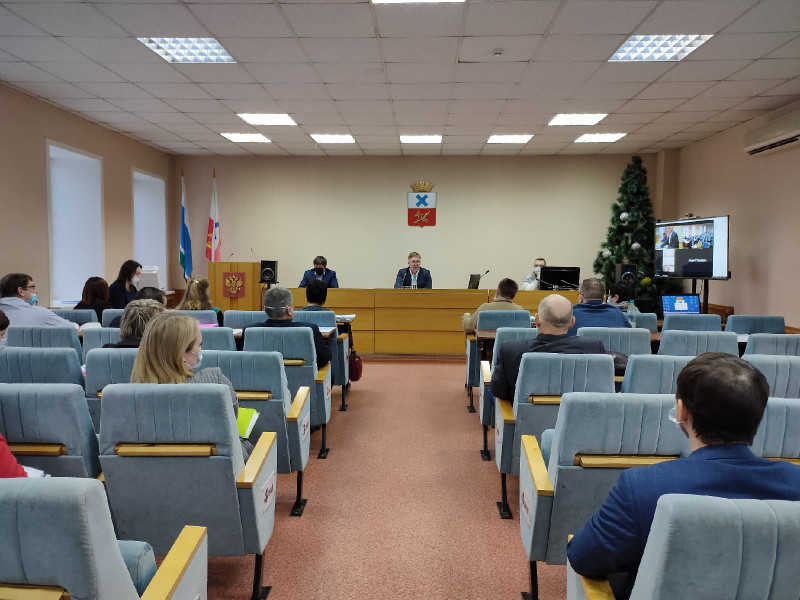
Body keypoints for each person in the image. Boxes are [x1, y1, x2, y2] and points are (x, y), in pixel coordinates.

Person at [567, 353, 800, 599]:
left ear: (681, 411)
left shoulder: (643, 487)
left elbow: (584, 558)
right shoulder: (794, 482)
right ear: (758, 415)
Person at [130, 311, 251, 459]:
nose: (200, 350)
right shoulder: (215, 381)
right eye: (199, 345)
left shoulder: (128, 397)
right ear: (181, 353)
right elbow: (232, 416)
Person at [490, 294, 605, 400]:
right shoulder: (594, 348)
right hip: (579, 415)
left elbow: (498, 391)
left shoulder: (511, 351)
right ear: (572, 322)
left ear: (537, 320)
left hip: (525, 416)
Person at [244, 286, 331, 367]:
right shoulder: (309, 329)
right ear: (289, 311)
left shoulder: (249, 331)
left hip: (262, 378)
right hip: (302, 378)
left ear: (265, 309)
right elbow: (324, 358)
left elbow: (245, 360)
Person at [0, 273, 76, 328]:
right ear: (21, 291)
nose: (36, 291)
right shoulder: (39, 313)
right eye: (32, 287)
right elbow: (70, 327)